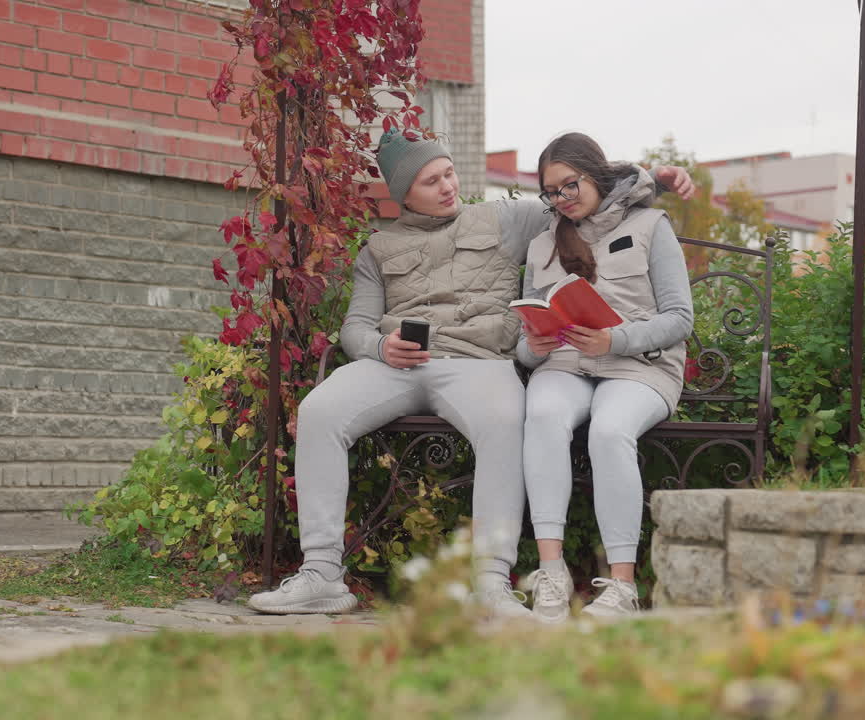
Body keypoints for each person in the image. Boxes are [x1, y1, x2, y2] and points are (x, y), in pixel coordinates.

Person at [248, 129, 694, 617]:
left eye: (448, 173)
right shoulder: (378, 248)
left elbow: (583, 198)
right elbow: (354, 326)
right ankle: (322, 575)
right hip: (398, 365)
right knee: (318, 410)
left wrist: (659, 180)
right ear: (404, 195)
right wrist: (380, 346)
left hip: (478, 365)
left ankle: (491, 582)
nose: (447, 187)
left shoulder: (506, 219)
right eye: (430, 181)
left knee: (506, 418)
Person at [516, 132, 694, 623]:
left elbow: (680, 319)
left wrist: (615, 340)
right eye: (550, 192)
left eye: (568, 186)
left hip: (639, 366)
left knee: (609, 429)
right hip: (567, 363)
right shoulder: (543, 243)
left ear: (593, 174)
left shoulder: (651, 226)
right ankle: (551, 573)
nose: (561, 200)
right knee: (544, 413)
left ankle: (622, 585)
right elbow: (526, 329)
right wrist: (532, 347)